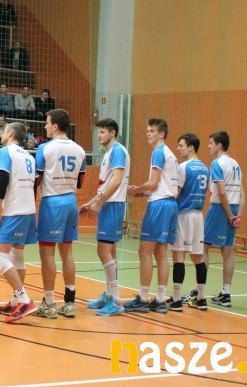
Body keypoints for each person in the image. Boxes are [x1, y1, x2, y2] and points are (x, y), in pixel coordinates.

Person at [34, 109, 86, 318]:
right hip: (71, 201)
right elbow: (80, 182)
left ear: (55, 126)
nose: (45, 126)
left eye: (47, 123)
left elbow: (37, 179)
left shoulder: (44, 148)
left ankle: (49, 303)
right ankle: (70, 302)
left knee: (47, 253)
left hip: (52, 202)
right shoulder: (80, 150)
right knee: (67, 253)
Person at [124, 118, 179, 314]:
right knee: (161, 253)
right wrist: (143, 192)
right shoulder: (171, 154)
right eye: (147, 130)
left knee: (145, 251)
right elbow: (164, 186)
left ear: (161, 134)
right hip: (171, 204)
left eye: (152, 131)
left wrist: (134, 190)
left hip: (159, 206)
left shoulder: (158, 152)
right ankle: (161, 299)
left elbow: (154, 183)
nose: (148, 133)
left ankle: (142, 297)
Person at [79, 118, 130, 316]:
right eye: (98, 132)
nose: (99, 135)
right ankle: (109, 295)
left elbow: (116, 180)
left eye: (102, 132)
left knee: (103, 251)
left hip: (112, 205)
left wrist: (100, 203)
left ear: (112, 132)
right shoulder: (110, 152)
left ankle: (116, 301)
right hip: (110, 203)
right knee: (111, 252)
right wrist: (92, 202)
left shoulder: (117, 151)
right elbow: (106, 183)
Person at [0, 122, 39, 323]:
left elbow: (2, 181)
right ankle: (15, 302)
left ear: (10, 133)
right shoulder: (29, 156)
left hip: (14, 211)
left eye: (4, 131)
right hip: (28, 210)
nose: (2, 134)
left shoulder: (6, 152)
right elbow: (35, 185)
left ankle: (24, 300)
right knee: (17, 256)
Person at [199, 130, 244, 308]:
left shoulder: (217, 163)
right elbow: (242, 193)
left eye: (210, 143)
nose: (208, 146)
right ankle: (226, 293)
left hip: (220, 209)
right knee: (228, 251)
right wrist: (237, 214)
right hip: (234, 207)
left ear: (219, 145)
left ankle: (199, 291)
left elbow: (222, 193)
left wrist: (229, 215)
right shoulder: (235, 164)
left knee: (203, 247)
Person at [168, 133, 210, 311]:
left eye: (181, 145)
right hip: (198, 215)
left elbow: (176, 193)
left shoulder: (183, 167)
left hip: (184, 214)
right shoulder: (205, 168)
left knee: (178, 256)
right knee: (198, 258)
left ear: (191, 147)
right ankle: (201, 298)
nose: (178, 149)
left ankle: (177, 299)